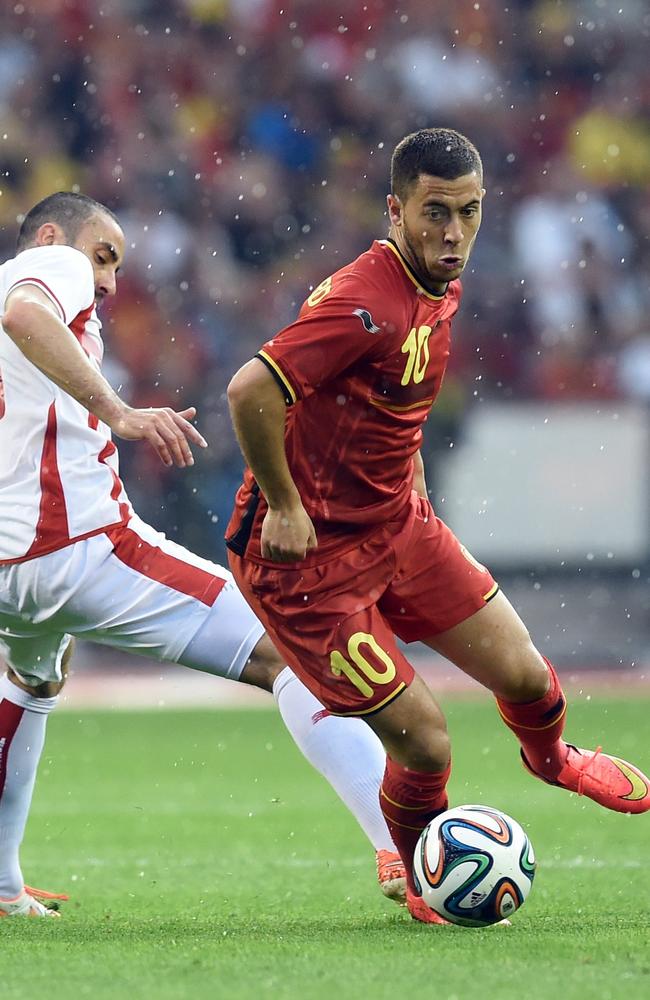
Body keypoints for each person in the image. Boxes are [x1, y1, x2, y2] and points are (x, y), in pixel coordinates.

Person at [225, 127, 650, 926]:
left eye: (469, 212)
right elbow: (251, 390)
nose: (453, 233)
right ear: (394, 210)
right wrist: (283, 504)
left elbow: (386, 396)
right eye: (433, 214)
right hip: (307, 562)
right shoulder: (365, 300)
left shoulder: (438, 279)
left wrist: (406, 462)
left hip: (397, 525)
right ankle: (427, 882)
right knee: (425, 742)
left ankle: (554, 760)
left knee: (525, 675)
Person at [0, 191, 406, 918]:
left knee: (30, 680)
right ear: (56, 236)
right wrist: (121, 412)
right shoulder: (47, 264)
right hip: (77, 544)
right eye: (104, 255)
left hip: (9, 563)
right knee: (291, 649)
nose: (109, 280)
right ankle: (402, 849)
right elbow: (25, 313)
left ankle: (0, 886)